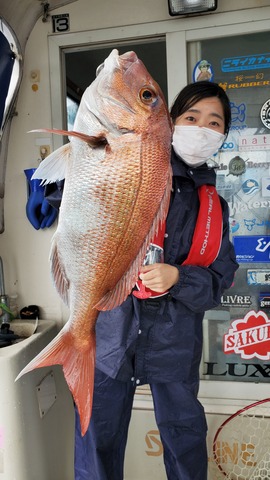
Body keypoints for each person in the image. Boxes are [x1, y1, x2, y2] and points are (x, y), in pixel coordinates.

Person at [46, 81, 238, 480]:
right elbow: (77, 203)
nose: (202, 127)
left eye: (214, 122)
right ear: (170, 123)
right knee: (96, 440)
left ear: (222, 135)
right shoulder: (132, 165)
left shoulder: (213, 205)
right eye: (191, 117)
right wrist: (54, 183)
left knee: (185, 443)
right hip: (110, 336)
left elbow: (219, 280)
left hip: (174, 344)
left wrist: (178, 278)